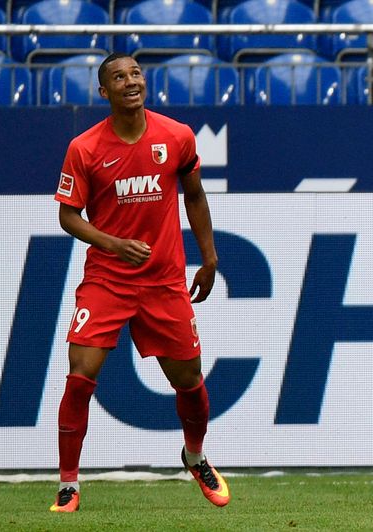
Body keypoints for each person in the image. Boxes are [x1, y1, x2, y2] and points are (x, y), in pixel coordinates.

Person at [50, 52, 228, 512]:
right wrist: (113, 243)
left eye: (136, 74)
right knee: (79, 378)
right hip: (108, 280)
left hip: (164, 282)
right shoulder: (85, 148)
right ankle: (69, 483)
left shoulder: (177, 136)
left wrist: (208, 259)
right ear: (103, 91)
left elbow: (195, 195)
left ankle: (195, 456)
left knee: (190, 382)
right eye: (118, 77)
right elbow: (68, 216)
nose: (131, 81)